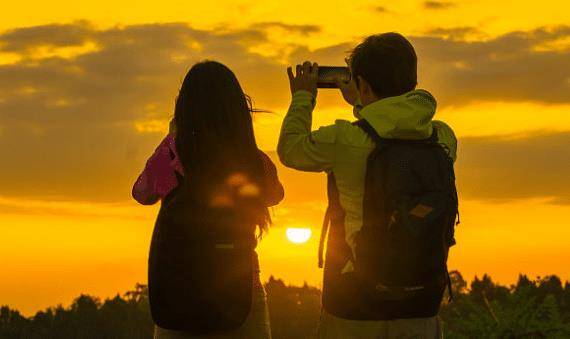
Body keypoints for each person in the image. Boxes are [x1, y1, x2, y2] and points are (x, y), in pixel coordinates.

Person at [278, 33, 457, 338]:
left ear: (362, 84)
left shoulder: (346, 139)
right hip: (421, 302)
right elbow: (392, 126)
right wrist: (364, 101)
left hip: (355, 302)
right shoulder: (441, 137)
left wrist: (303, 97)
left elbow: (290, 149)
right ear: (412, 80)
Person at [133, 60, 284, 339]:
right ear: (237, 110)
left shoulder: (174, 157)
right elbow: (276, 195)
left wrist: (171, 138)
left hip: (179, 292)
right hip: (239, 290)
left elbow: (143, 193)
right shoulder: (249, 160)